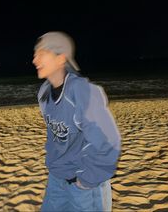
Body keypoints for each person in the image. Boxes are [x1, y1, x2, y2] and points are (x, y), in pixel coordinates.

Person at [33, 31, 121, 212]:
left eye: (42, 53)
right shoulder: (44, 93)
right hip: (57, 180)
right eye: (35, 54)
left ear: (60, 59)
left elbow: (108, 142)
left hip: (84, 186)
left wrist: (87, 181)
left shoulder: (82, 92)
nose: (35, 60)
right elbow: (55, 137)